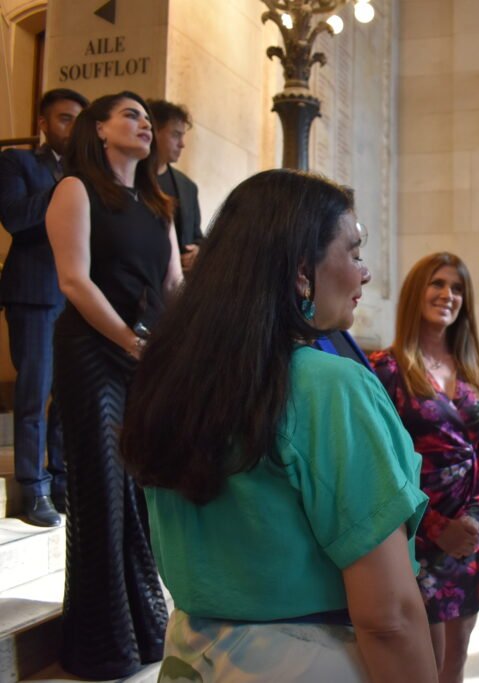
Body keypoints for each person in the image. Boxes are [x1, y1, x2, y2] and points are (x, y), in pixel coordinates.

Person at [120, 169, 438, 682]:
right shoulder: (328, 387)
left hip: (193, 656)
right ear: (301, 272)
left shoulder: (173, 380)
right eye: (353, 253)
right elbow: (390, 617)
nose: (365, 274)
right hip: (308, 663)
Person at [45, 91, 181, 678]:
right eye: (130, 114)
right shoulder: (75, 189)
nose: (144, 124)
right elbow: (75, 281)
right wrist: (130, 341)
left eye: (148, 119)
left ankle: (146, 630)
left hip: (145, 357)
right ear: (99, 130)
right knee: (101, 491)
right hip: (93, 354)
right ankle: (101, 647)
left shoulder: (159, 205)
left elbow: (175, 286)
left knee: (141, 493)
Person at [369, 251, 479, 683]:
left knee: (457, 661)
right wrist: (435, 527)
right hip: (416, 534)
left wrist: (473, 519)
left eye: (458, 288)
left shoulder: (475, 364)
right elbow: (381, 464)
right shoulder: (385, 369)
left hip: (466, 536)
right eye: (438, 284)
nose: (448, 295)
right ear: (415, 292)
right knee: (423, 664)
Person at [0, 88, 87, 527]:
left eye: (78, 120)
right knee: (34, 394)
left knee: (68, 395)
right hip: (34, 292)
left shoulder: (87, 173)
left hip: (77, 298)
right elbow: (14, 218)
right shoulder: (20, 164)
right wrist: (63, 188)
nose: (71, 128)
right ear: (43, 123)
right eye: (64, 119)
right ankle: (31, 487)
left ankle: (59, 481)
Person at [148, 99, 202, 273]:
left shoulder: (188, 187)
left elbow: (196, 237)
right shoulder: (126, 177)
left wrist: (198, 252)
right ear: (153, 132)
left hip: (176, 287)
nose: (182, 144)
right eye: (176, 135)